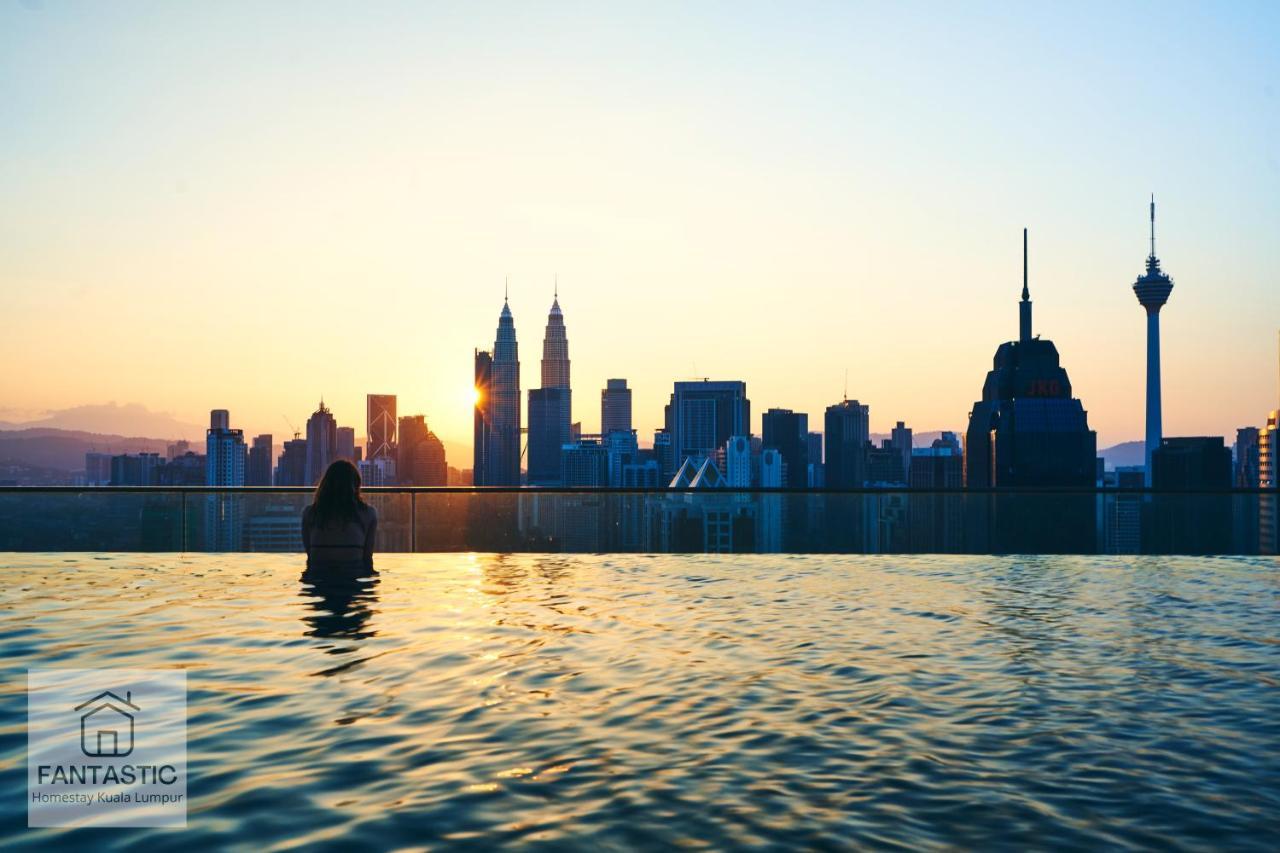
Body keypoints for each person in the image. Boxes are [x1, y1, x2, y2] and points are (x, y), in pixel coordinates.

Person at [302, 459, 377, 573]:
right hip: (353, 582)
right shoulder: (368, 515)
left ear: (325, 484)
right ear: (355, 485)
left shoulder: (309, 514)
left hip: (318, 583)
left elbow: (311, 559)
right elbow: (367, 560)